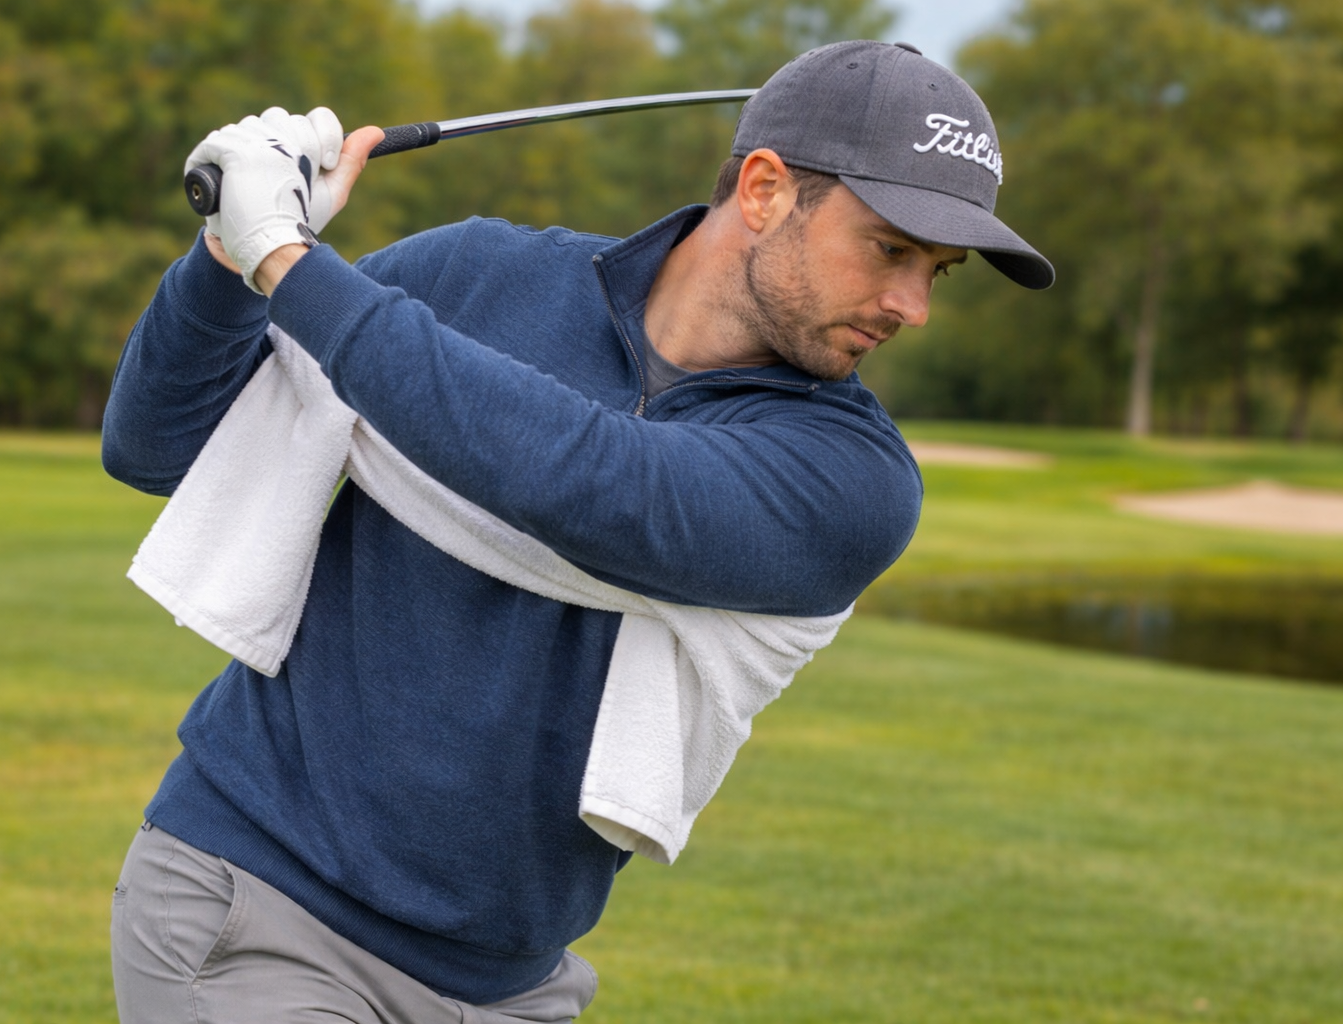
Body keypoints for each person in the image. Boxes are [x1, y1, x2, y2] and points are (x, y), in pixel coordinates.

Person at [102, 39, 1052, 1024]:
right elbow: (161, 449)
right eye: (891, 249)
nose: (914, 306)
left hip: (515, 987)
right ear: (765, 190)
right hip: (256, 910)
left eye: (940, 270)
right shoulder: (472, 274)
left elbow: (589, 484)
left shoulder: (854, 481)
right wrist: (224, 256)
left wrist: (289, 262)